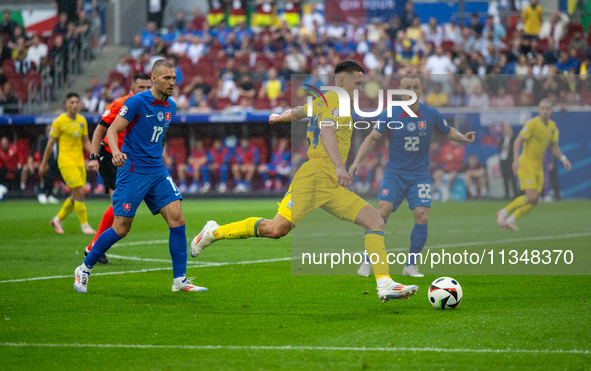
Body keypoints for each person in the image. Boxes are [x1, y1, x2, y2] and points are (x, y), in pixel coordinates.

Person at [190, 60, 419, 303]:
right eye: (358, 83)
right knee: (276, 229)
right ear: (341, 81)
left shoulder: (324, 99)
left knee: (374, 220)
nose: (361, 88)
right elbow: (328, 131)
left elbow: (300, 112)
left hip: (330, 183)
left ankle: (384, 284)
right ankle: (213, 232)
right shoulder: (336, 100)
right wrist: (340, 166)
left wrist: (280, 117)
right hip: (314, 177)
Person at [74, 60, 206, 293]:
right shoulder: (136, 102)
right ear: (154, 79)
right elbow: (113, 130)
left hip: (156, 170)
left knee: (177, 219)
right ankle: (84, 268)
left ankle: (179, 281)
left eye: (174, 78)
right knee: (122, 227)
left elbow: (160, 134)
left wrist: (159, 151)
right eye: (167, 78)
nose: (172, 83)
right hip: (132, 171)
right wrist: (115, 153)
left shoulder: (171, 107)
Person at [350, 75, 476, 278]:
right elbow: (372, 138)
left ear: (420, 90)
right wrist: (356, 162)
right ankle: (368, 261)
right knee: (381, 214)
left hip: (419, 176)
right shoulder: (390, 113)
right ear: (400, 91)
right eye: (407, 87)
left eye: (415, 87)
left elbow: (447, 129)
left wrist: (462, 137)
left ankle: (411, 265)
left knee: (422, 215)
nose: (411, 90)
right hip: (395, 174)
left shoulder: (430, 113)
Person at [84, 73, 152, 264]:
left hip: (132, 160)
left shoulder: (152, 106)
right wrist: (93, 157)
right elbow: (100, 130)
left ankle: (94, 247)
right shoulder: (118, 105)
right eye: (141, 88)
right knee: (119, 205)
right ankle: (93, 247)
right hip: (111, 157)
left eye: (149, 87)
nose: (146, 91)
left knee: (119, 207)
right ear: (132, 88)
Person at [497, 99, 571, 230]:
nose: (545, 111)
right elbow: (517, 141)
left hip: (538, 168)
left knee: (535, 200)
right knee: (531, 196)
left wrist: (563, 158)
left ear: (551, 111)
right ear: (539, 110)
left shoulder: (552, 126)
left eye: (547, 108)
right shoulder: (532, 124)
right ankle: (504, 211)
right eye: (542, 108)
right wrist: (515, 161)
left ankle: (510, 220)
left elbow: (553, 146)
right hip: (526, 165)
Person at [39, 93, 96, 235]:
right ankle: (85, 225)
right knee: (80, 192)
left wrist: (95, 156)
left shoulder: (82, 120)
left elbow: (86, 141)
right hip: (65, 162)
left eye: (77, 102)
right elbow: (50, 144)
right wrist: (43, 163)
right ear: (66, 104)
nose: (75, 105)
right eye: (72, 102)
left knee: (75, 195)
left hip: (79, 162)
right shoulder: (59, 122)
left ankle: (57, 219)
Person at [499, 124, 518, 199]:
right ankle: (506, 194)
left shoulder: (513, 138)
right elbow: (500, 149)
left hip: (511, 160)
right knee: (505, 179)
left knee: (513, 178)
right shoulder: (502, 139)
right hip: (503, 160)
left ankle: (515, 194)